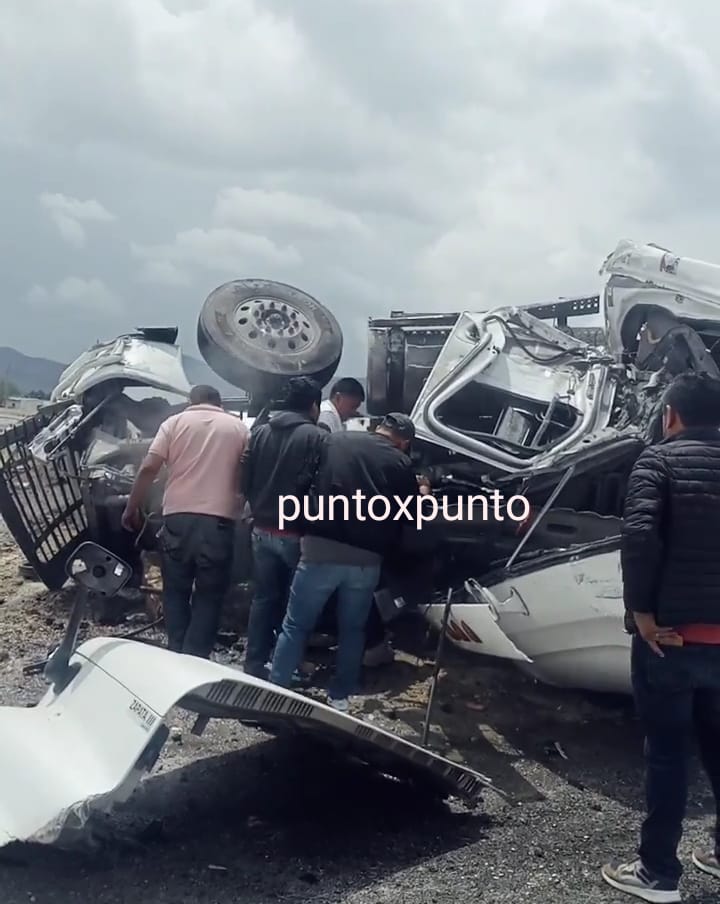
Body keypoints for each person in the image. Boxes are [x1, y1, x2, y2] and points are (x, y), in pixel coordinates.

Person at [602, 371, 720, 902]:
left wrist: (640, 612)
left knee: (668, 755)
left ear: (670, 413)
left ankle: (659, 874)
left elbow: (640, 537)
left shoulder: (658, 460)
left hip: (670, 637)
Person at [269, 412, 421, 711]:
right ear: (403, 442)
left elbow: (302, 482)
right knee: (353, 629)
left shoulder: (334, 441)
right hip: (366, 559)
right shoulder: (400, 462)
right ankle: (339, 697)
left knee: (296, 625)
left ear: (379, 428)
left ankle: (276, 690)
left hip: (319, 550)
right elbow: (411, 515)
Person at [121, 385, 249, 658]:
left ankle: (176, 653)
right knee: (209, 595)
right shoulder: (238, 428)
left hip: (178, 519)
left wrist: (132, 507)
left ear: (191, 401)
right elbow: (246, 473)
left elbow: (147, 468)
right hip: (219, 522)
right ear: (220, 403)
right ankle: (195, 660)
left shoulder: (173, 423)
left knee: (175, 591)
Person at [241, 377, 327, 678]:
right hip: (296, 534)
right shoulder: (318, 437)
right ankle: (288, 666)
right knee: (297, 605)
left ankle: (253, 663)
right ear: (313, 405)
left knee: (263, 598)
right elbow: (321, 488)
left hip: (261, 530)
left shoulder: (260, 433)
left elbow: (244, 478)